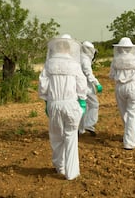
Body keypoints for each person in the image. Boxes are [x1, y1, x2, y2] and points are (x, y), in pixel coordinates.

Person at [38, 34, 88, 180]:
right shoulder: (74, 64)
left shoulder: (49, 64)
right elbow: (81, 84)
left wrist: (46, 101)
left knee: (56, 137)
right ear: (69, 48)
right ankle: (71, 173)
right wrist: (83, 100)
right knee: (71, 137)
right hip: (71, 104)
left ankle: (60, 167)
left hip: (54, 103)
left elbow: (43, 85)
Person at [109, 37, 135, 150]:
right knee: (134, 114)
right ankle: (130, 142)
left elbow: (111, 75)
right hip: (133, 87)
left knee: (124, 113)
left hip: (119, 87)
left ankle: (128, 136)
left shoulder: (115, 60)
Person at [78, 41, 102, 137]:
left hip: (78, 86)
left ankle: (80, 129)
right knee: (94, 105)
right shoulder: (85, 60)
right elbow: (88, 73)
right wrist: (97, 83)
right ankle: (89, 125)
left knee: (82, 107)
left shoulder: (78, 57)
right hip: (86, 86)